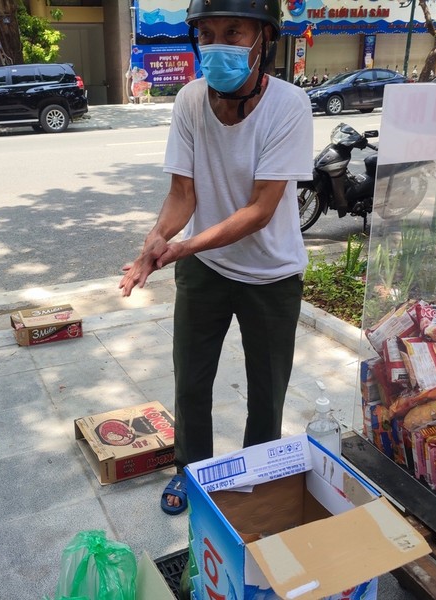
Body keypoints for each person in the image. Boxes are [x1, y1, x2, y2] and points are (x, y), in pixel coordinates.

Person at [119, 0, 312, 515]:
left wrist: (184, 246)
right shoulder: (188, 101)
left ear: (263, 40)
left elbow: (260, 210)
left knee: (267, 392)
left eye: (232, 31)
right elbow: (183, 194)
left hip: (272, 274)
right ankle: (192, 474)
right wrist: (153, 245)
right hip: (206, 269)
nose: (217, 45)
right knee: (191, 379)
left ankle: (254, 478)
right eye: (206, 33)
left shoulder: (290, 105)